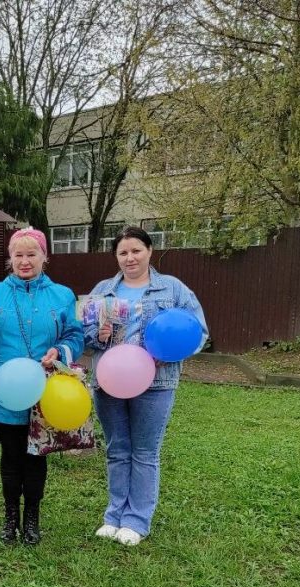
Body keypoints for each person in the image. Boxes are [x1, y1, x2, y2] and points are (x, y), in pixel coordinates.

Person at [85, 225, 207, 546]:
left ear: (150, 251)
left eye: (136, 250)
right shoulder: (102, 290)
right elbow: (84, 334)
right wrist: (96, 335)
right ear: (116, 256)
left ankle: (137, 520)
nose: (130, 258)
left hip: (156, 383)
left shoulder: (173, 290)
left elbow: (198, 332)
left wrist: (171, 353)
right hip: (109, 382)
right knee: (116, 449)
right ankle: (114, 515)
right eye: (123, 252)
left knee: (144, 452)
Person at [0, 228, 84, 545]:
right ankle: (11, 518)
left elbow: (74, 335)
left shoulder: (62, 295)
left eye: (31, 254)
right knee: (11, 458)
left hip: (45, 393)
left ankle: (32, 519)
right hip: (4, 393)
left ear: (44, 257)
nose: (25, 261)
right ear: (10, 259)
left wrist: (60, 352)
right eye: (18, 255)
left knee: (37, 457)